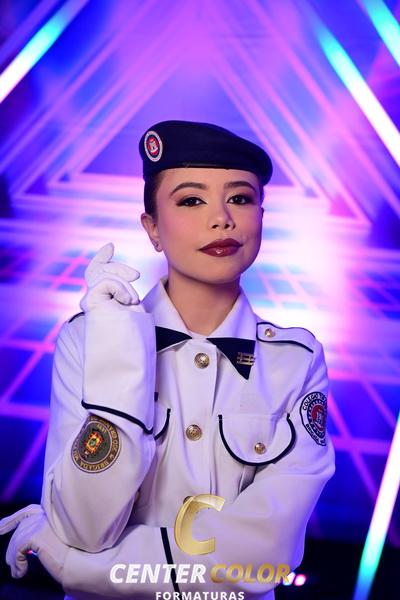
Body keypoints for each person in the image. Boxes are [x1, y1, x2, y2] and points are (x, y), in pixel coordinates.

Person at [0, 120, 335, 599]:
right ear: (152, 228)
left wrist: (77, 568)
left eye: (240, 198)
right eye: (191, 200)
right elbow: (83, 526)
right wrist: (121, 359)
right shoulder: (89, 339)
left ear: (262, 216)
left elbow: (263, 555)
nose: (221, 219)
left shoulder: (296, 361)